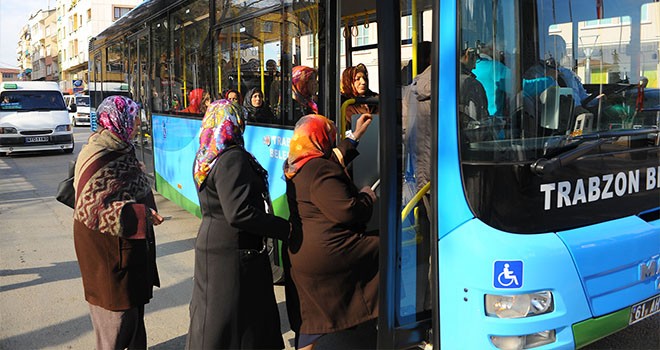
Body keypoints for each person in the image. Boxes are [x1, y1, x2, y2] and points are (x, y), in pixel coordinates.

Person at [186, 100, 290, 349]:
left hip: (214, 246)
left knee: (214, 318)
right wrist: (282, 228)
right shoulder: (232, 158)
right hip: (233, 254)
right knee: (231, 324)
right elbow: (239, 213)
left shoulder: (207, 154)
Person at [72, 95, 164, 350]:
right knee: (115, 323)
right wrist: (141, 214)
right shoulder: (99, 151)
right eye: (133, 119)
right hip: (106, 252)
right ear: (117, 119)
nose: (137, 124)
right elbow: (90, 207)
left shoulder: (122, 146)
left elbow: (128, 185)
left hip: (129, 248)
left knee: (133, 316)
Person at [284, 113, 378, 350]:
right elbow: (349, 212)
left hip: (303, 253)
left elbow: (332, 160)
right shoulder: (320, 170)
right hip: (328, 253)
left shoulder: (297, 164)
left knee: (312, 316)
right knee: (386, 249)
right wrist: (367, 196)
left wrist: (355, 137)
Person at [472, 42, 512, 117]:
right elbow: (518, 85)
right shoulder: (495, 67)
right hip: (494, 121)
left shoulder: (472, 67)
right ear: (492, 50)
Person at [340, 63, 379, 130]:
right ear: (348, 82)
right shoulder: (343, 102)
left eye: (364, 78)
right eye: (357, 79)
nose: (363, 82)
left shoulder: (376, 99)